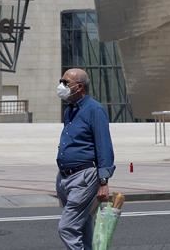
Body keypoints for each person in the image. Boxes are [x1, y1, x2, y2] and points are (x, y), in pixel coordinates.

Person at [55, 68, 115, 250]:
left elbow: (104, 145)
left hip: (84, 177)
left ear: (79, 87)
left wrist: (103, 181)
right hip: (65, 177)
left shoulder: (94, 110)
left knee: (67, 228)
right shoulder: (70, 110)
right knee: (83, 225)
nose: (61, 86)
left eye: (66, 83)